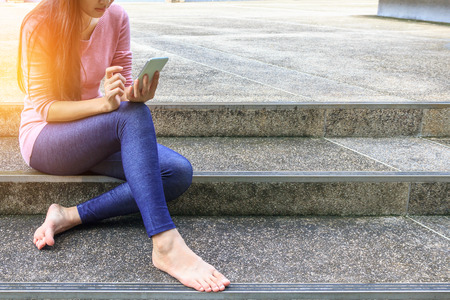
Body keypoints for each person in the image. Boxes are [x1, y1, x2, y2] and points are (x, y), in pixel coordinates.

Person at [17, 0, 230, 293]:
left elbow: (125, 91)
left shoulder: (116, 16)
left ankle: (68, 215)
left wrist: (137, 93)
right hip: (45, 139)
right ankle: (166, 243)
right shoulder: (41, 22)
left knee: (177, 171)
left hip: (92, 134)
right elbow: (45, 107)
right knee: (132, 117)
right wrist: (105, 104)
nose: (105, 0)